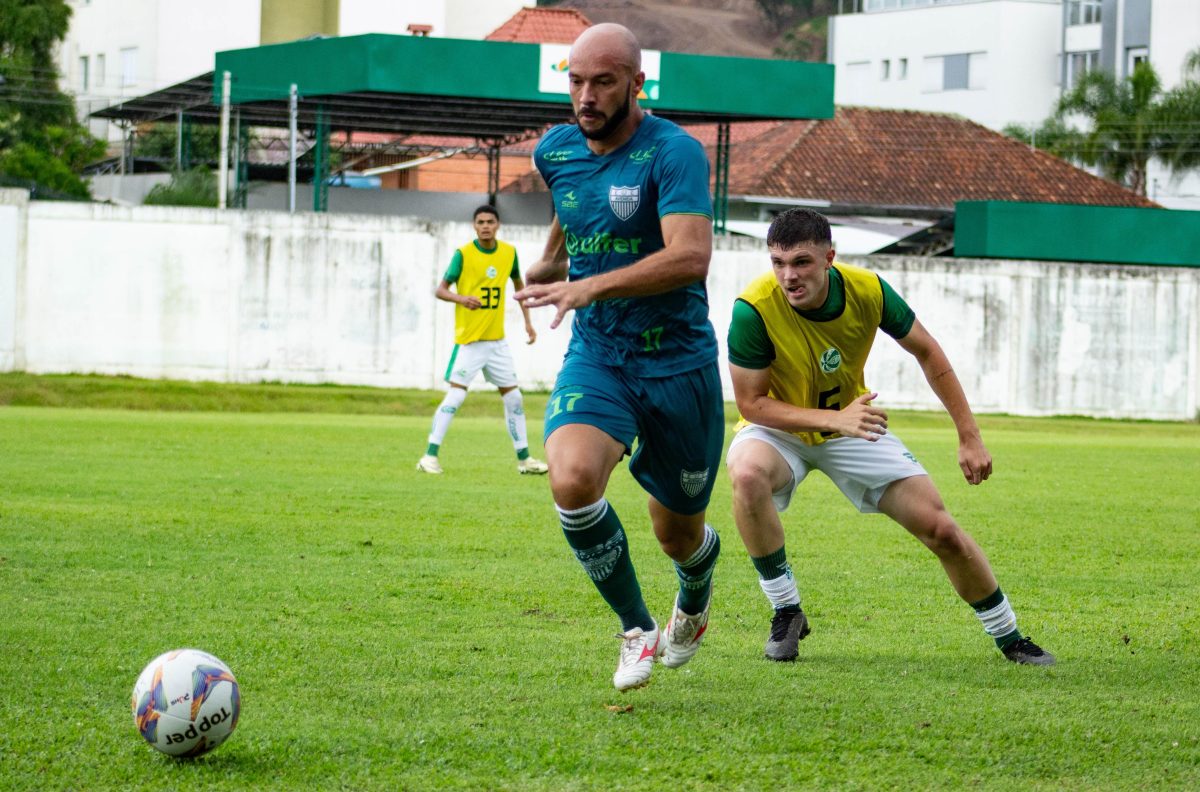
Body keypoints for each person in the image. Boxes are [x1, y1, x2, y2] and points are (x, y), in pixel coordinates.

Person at [725, 207, 1054, 666]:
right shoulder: (752, 309)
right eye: (778, 262)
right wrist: (832, 420)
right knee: (746, 473)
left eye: (801, 262)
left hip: (853, 423)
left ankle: (1011, 638)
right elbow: (752, 405)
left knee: (941, 529)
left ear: (829, 259)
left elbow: (927, 351)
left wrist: (969, 435)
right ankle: (786, 610)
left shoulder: (868, 290)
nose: (788, 276)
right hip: (780, 428)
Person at [513, 23, 725, 691]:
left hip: (678, 364)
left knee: (678, 535)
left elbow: (691, 257)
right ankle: (637, 630)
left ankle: (696, 588)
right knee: (571, 478)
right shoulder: (556, 150)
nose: (585, 96)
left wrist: (586, 284)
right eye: (575, 81)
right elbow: (573, 208)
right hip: (599, 355)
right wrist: (548, 263)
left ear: (637, 84)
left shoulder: (676, 153)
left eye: (602, 82)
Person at [416, 204, 548, 476]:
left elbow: (519, 287)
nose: (485, 226)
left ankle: (524, 460)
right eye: (480, 222)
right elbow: (440, 290)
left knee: (515, 399)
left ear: (498, 224)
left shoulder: (509, 253)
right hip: (470, 341)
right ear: (474, 226)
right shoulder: (463, 255)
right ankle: (429, 456)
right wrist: (462, 299)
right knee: (455, 397)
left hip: (496, 342)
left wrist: (527, 322)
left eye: (490, 221)